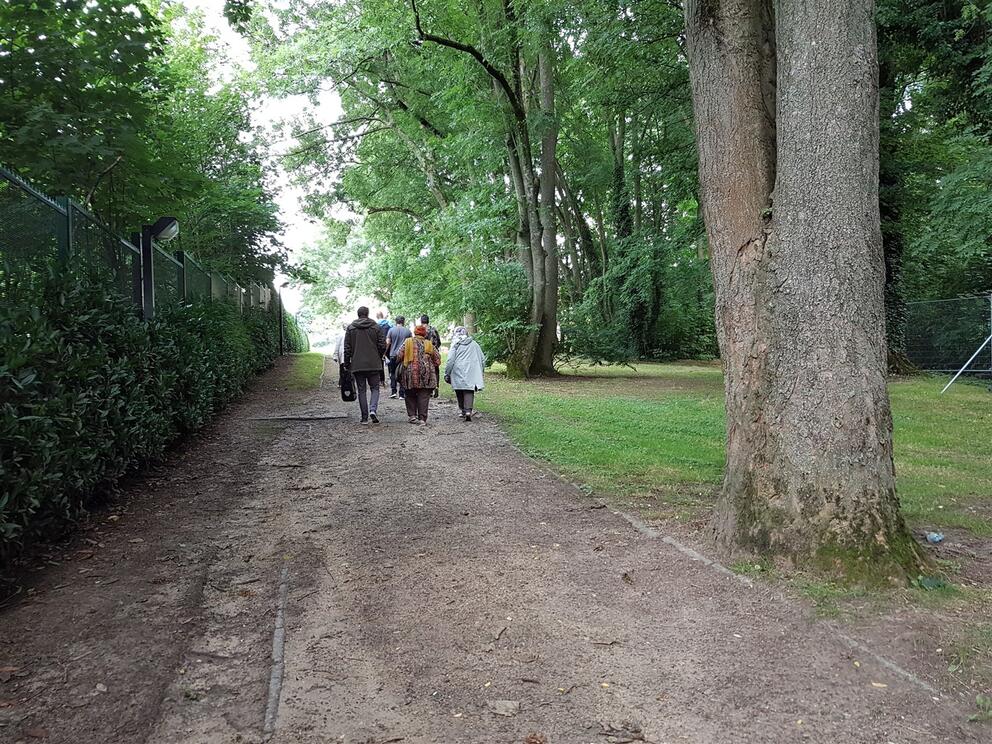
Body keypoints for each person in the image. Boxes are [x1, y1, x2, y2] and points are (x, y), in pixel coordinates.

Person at [344, 306, 387, 424]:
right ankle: (373, 409)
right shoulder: (376, 327)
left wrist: (347, 363)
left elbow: (347, 348)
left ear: (358, 314)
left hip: (358, 364)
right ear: (367, 314)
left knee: (361, 390)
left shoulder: (351, 328)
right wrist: (378, 356)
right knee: (375, 388)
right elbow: (382, 345)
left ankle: (364, 417)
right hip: (374, 363)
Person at [400, 325, 441, 424]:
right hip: (426, 375)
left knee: (410, 394)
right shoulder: (429, 344)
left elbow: (399, 355)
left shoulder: (408, 342)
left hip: (410, 373)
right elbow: (438, 360)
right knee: (424, 396)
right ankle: (422, 418)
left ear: (415, 332)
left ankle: (412, 416)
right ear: (424, 334)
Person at [444, 326, 486, 421]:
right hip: (471, 370)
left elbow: (450, 360)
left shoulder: (455, 345)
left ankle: (463, 410)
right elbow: (483, 359)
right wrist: (481, 371)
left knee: (459, 389)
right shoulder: (475, 344)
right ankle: (468, 411)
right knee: (469, 390)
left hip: (458, 370)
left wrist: (447, 373)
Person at [385, 316, 412, 399]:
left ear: (396, 321)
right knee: (403, 373)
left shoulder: (391, 330)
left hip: (393, 355)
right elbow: (411, 343)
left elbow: (388, 342)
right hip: (404, 355)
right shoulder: (408, 331)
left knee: (392, 373)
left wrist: (385, 353)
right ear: (403, 321)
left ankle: (393, 391)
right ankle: (401, 393)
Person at [419, 314, 442, 397]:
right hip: (434, 353)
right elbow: (439, 342)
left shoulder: (420, 331)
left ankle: (428, 390)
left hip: (424, 354)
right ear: (428, 321)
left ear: (421, 321)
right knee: (435, 371)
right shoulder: (434, 330)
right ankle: (436, 388)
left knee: (426, 371)